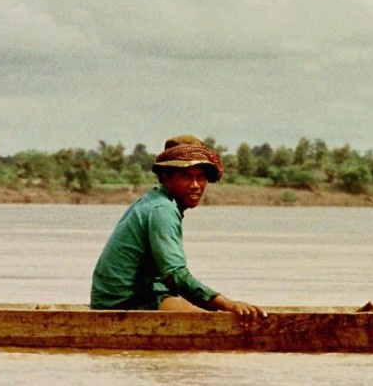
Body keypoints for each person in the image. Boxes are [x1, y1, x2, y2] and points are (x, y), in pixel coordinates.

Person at [90, 134, 267, 324]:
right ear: (166, 177)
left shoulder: (156, 201)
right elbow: (176, 276)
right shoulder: (162, 210)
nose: (195, 186)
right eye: (186, 177)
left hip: (131, 296)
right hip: (124, 303)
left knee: (208, 313)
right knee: (210, 324)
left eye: (201, 178)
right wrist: (228, 304)